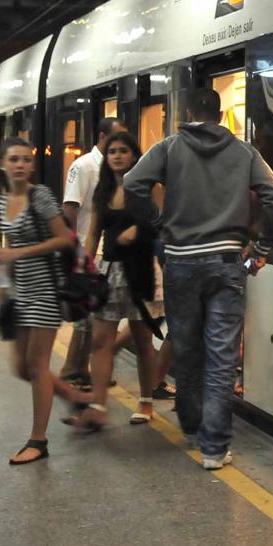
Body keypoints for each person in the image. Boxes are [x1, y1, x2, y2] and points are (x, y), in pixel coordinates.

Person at [124, 88, 273, 470]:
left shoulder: (169, 147)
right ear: (220, 114)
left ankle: (194, 424)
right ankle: (214, 447)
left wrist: (157, 221)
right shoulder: (244, 152)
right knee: (222, 356)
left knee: (186, 346)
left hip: (180, 261)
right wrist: (262, 247)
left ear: (190, 111)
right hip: (228, 262)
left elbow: (132, 183)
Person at [0, 136, 81, 465]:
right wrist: (5, 289)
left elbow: (63, 239)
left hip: (46, 290)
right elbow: (7, 248)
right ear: (2, 164)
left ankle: (38, 441)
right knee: (21, 367)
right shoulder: (4, 201)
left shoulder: (40, 196)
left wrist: (19, 251)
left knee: (37, 366)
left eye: (25, 159)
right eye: (13, 159)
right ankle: (76, 398)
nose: (19, 165)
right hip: (21, 293)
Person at [71, 131, 163, 430]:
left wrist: (138, 232)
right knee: (101, 341)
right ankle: (98, 403)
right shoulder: (103, 190)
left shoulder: (150, 189)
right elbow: (94, 233)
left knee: (142, 340)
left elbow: (162, 223)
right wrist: (84, 266)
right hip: (109, 270)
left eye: (124, 151)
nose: (117, 156)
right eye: (112, 152)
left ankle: (146, 401)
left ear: (135, 155)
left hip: (141, 271)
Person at [57, 117, 127, 391]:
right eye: (116, 138)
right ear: (102, 137)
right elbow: (70, 208)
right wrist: (75, 250)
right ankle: (74, 370)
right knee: (89, 319)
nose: (121, 146)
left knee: (96, 318)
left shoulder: (113, 169)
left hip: (106, 254)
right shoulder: (84, 165)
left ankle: (84, 368)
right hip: (90, 251)